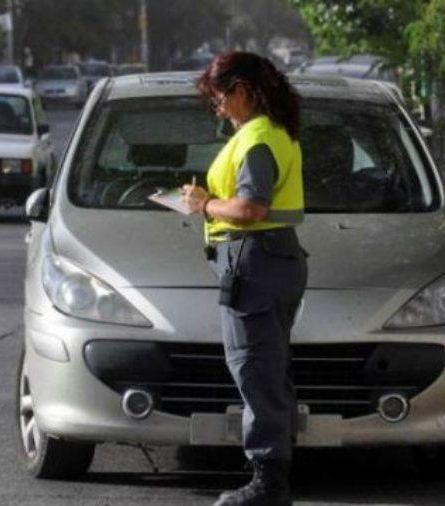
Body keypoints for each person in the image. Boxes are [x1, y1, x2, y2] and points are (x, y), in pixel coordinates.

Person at [182, 52, 307, 506]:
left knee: (255, 369)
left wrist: (204, 204)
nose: (217, 107)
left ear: (245, 91)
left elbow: (251, 208)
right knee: (270, 369)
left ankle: (267, 483)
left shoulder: (256, 140)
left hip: (254, 261)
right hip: (273, 259)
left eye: (219, 97)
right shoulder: (272, 132)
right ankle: (276, 473)